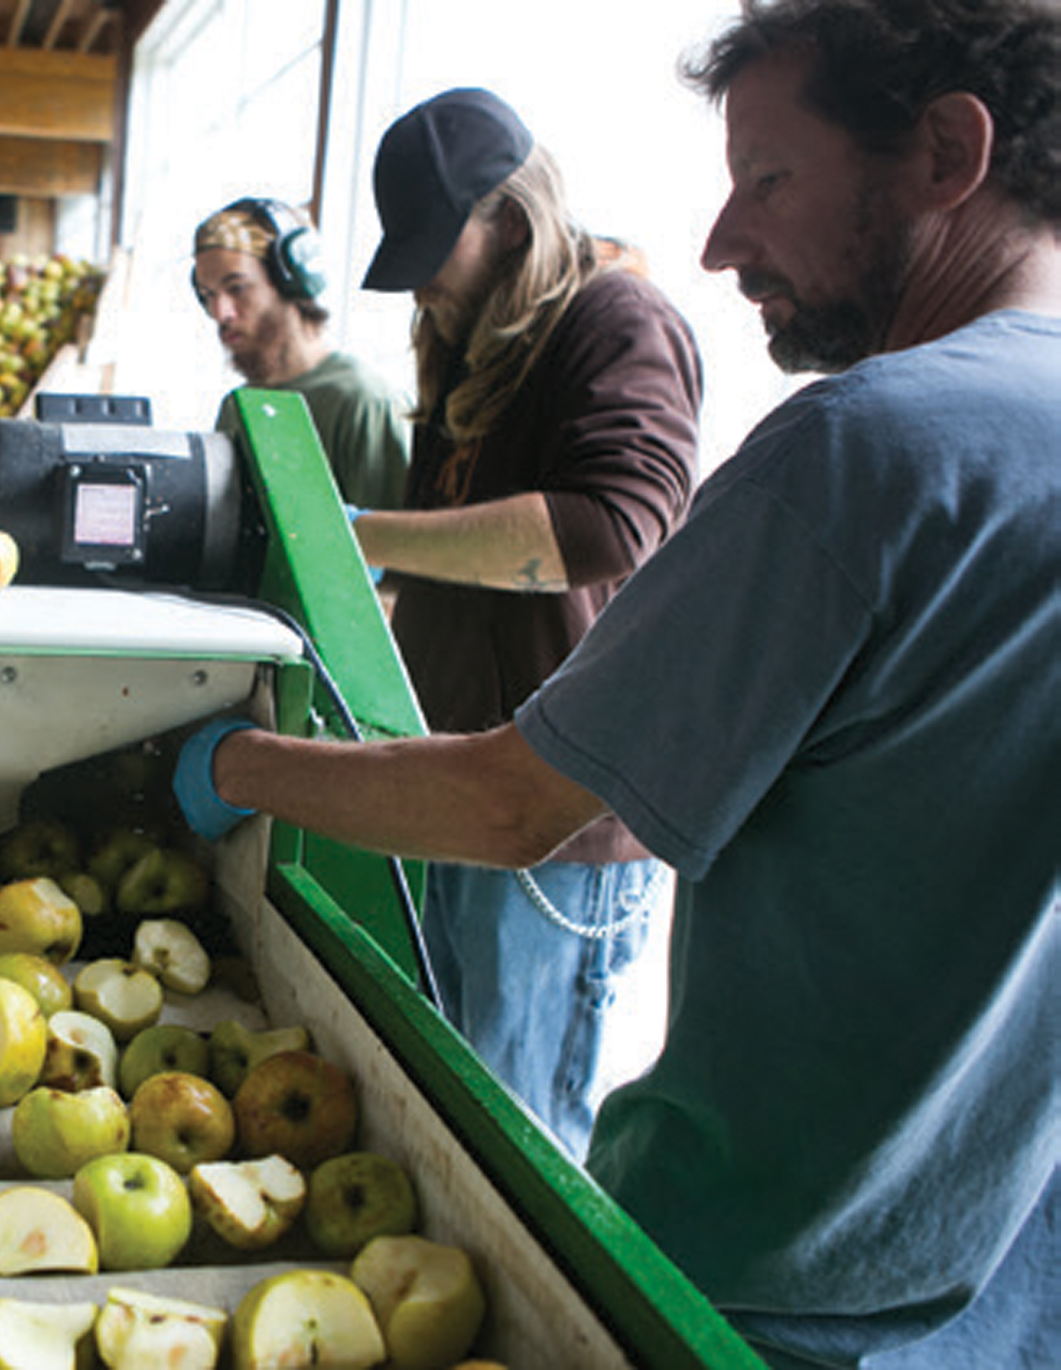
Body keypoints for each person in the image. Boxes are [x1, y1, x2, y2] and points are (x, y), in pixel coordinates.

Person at [173, 0, 1059, 1363]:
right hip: (999, 1303)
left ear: (946, 151)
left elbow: (514, 801)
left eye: (765, 176)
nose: (717, 239)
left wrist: (222, 765)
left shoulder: (860, 452)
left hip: (760, 1282)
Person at [349, 88, 703, 1157]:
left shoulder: (613, 319)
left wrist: (371, 534)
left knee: (521, 1128)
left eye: (434, 249)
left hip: (563, 816)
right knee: (460, 1097)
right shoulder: (470, 348)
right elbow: (447, 557)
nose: (422, 283)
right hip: (465, 782)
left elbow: (615, 523)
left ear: (506, 221)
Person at [191, 197, 410, 509]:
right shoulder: (237, 408)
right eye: (208, 296)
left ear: (291, 279)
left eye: (236, 287)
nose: (220, 312)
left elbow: (394, 550)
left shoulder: (364, 401)